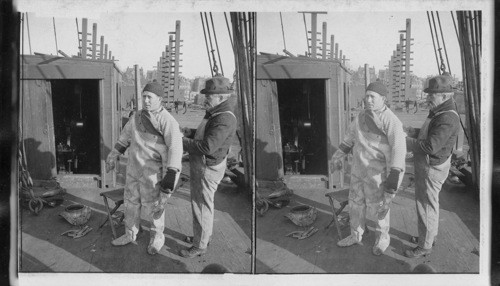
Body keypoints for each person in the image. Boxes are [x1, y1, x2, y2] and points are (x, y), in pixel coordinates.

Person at [105, 81, 183, 255]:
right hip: (133, 170)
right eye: (144, 97)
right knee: (131, 204)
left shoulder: (168, 121)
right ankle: (130, 234)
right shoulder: (137, 117)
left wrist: (171, 174)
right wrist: (113, 155)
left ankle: (157, 238)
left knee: (155, 207)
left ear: (160, 99)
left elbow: (175, 149)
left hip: (154, 174)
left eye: (150, 97)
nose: (146, 101)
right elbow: (124, 137)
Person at [331, 81, 406, 256]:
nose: (369, 100)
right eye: (367, 96)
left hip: (378, 175)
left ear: (383, 99)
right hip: (358, 172)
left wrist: (394, 177)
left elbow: (399, 150)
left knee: (380, 208)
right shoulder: (360, 117)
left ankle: (382, 240)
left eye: (373, 96)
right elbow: (349, 138)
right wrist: (337, 155)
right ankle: (355, 235)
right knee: (355, 205)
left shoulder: (392, 121)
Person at [179, 76, 238, 258]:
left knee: (201, 205)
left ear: (221, 97)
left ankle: (200, 246)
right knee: (205, 204)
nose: (206, 99)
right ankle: (203, 236)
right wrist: (189, 132)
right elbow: (205, 134)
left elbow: (206, 147)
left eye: (209, 96)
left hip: (207, 168)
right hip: (205, 165)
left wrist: (180, 141)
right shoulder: (214, 112)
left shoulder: (224, 118)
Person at [404, 75, 460, 258]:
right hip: (432, 165)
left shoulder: (447, 117)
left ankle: (425, 246)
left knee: (426, 205)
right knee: (431, 205)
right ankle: (428, 237)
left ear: (444, 96)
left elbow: (430, 146)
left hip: (431, 168)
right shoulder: (438, 110)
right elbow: (431, 135)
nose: (428, 98)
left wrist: (406, 141)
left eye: (432, 95)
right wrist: (415, 132)